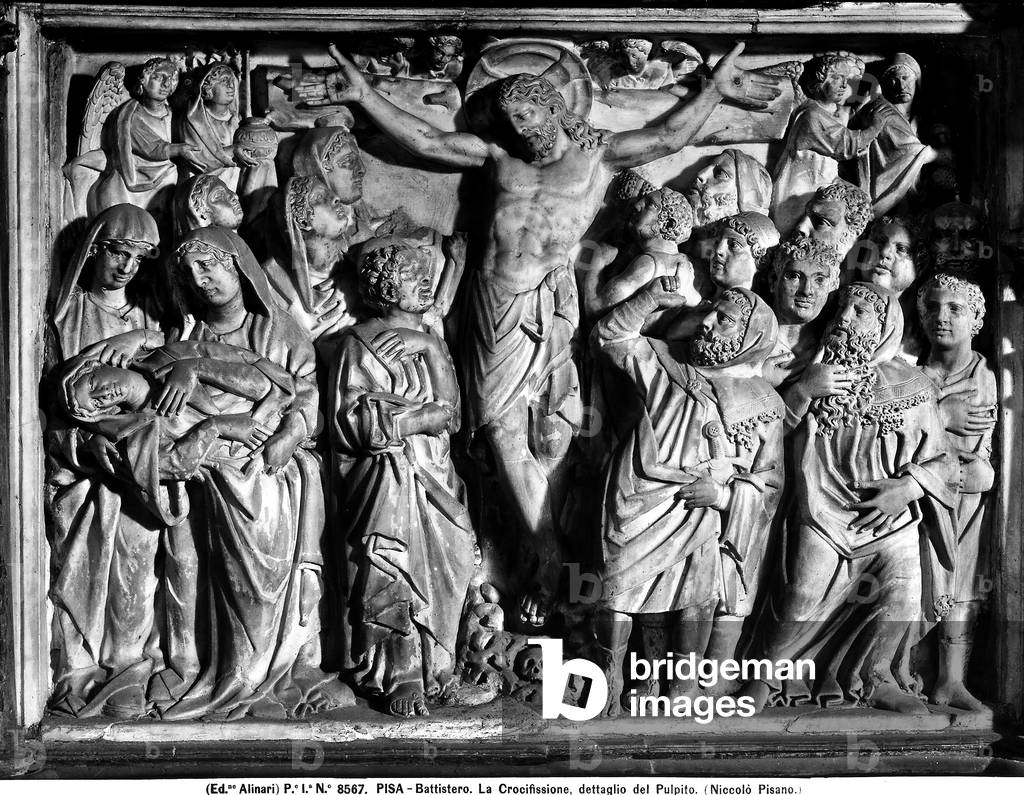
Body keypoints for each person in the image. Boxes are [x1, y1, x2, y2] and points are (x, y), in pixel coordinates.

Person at [318, 40, 782, 625]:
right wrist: (365, 94)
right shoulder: (497, 159)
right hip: (491, 308)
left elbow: (667, 140)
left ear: (555, 109)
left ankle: (557, 567)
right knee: (498, 433)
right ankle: (546, 559)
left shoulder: (596, 157)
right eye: (511, 119)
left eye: (530, 114)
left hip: (552, 309)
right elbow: (429, 141)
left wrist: (712, 90)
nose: (521, 127)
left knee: (556, 441)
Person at [160, 227, 349, 720]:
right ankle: (222, 670)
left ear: (237, 265)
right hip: (204, 474)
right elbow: (162, 401)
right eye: (192, 273)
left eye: (211, 266)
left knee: (262, 579)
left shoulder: (279, 332)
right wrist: (187, 372)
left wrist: (287, 436)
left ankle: (264, 673)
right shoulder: (185, 338)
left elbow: (307, 399)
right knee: (204, 573)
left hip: (267, 472)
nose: (203, 281)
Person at [744, 283, 958, 714]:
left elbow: (944, 462)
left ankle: (876, 677)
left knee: (901, 594)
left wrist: (910, 487)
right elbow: (763, 437)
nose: (844, 319)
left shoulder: (913, 385)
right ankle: (767, 677)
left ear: (884, 326)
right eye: (842, 309)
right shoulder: (806, 372)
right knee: (799, 595)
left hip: (890, 520)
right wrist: (803, 392)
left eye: (860, 312)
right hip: (820, 510)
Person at [593, 277, 784, 715]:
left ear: (751, 336)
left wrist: (722, 495)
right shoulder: (666, 366)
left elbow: (771, 485)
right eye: (710, 311)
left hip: (701, 510)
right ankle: (612, 673)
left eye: (725, 320)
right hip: (641, 495)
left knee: (696, 590)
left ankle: (683, 685)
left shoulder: (764, 402)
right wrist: (648, 298)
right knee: (621, 589)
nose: (708, 322)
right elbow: (611, 336)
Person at [331, 240, 479, 717]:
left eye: (426, 273)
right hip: (386, 477)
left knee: (451, 557)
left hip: (436, 472)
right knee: (391, 562)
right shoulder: (359, 343)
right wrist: (416, 420)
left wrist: (432, 349)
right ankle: (400, 673)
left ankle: (441, 669)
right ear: (381, 286)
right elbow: (350, 422)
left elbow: (452, 415)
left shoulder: (430, 337)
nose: (424, 282)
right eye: (411, 273)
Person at [45, 204, 173, 718]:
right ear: (94, 251)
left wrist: (139, 338)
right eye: (118, 253)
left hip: (138, 467)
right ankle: (76, 668)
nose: (126, 267)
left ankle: (126, 669)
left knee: (137, 569)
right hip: (82, 467)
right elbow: (54, 400)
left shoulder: (151, 318)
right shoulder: (65, 314)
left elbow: (175, 371)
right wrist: (84, 440)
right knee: (79, 567)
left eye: (138, 258)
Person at [917, 273, 997, 711]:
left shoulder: (985, 375)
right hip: (919, 502)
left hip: (965, 503)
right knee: (919, 582)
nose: (940, 317)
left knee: (962, 582)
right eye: (931, 307)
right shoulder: (911, 376)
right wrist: (941, 417)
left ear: (976, 319)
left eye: (954, 309)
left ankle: (950, 680)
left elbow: (976, 458)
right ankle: (906, 671)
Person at [770, 53, 894, 236]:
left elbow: (843, 120)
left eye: (846, 79)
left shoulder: (828, 113)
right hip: (799, 195)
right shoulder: (811, 115)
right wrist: (876, 126)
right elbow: (847, 144)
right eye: (836, 78)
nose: (844, 84)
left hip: (820, 186)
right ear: (816, 85)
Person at [762, 237, 841, 389]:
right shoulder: (751, 341)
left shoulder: (829, 352)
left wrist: (802, 393)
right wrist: (757, 381)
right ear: (773, 280)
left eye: (819, 280)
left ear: (833, 285)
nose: (806, 291)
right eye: (794, 277)